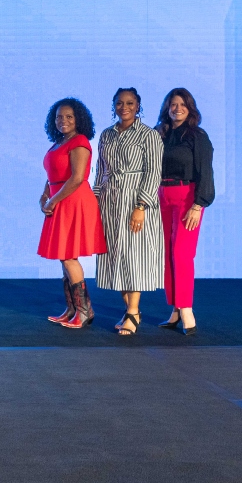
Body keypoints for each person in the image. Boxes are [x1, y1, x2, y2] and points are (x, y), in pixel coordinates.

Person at [93, 88, 165, 336]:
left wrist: (141, 206)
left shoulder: (149, 136)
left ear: (138, 106)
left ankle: (133, 311)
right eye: (120, 103)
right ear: (113, 105)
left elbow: (154, 173)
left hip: (136, 201)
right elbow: (100, 172)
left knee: (135, 257)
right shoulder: (106, 135)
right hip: (110, 202)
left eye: (130, 103)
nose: (124, 107)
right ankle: (129, 310)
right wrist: (95, 202)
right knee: (117, 257)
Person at [39, 98, 106, 328]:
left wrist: (54, 201)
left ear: (78, 119)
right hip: (59, 199)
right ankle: (71, 309)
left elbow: (77, 177)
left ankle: (84, 311)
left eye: (69, 116)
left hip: (73, 200)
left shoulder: (79, 141)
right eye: (59, 117)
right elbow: (53, 175)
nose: (63, 120)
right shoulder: (59, 142)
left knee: (69, 256)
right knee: (63, 256)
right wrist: (44, 195)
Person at [154, 88, 214, 336]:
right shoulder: (160, 135)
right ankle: (175, 309)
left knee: (182, 253)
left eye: (182, 104)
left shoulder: (197, 136)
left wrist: (198, 204)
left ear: (190, 108)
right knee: (167, 254)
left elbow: (206, 173)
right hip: (162, 197)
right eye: (172, 104)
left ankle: (187, 308)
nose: (176, 108)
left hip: (187, 197)